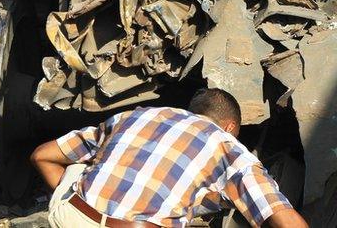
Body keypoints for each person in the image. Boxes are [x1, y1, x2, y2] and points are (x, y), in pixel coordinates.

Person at [31, 88, 308, 228]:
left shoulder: (133, 116)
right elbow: (281, 216)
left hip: (73, 219)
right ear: (230, 127)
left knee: (81, 163)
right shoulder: (229, 148)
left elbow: (42, 155)